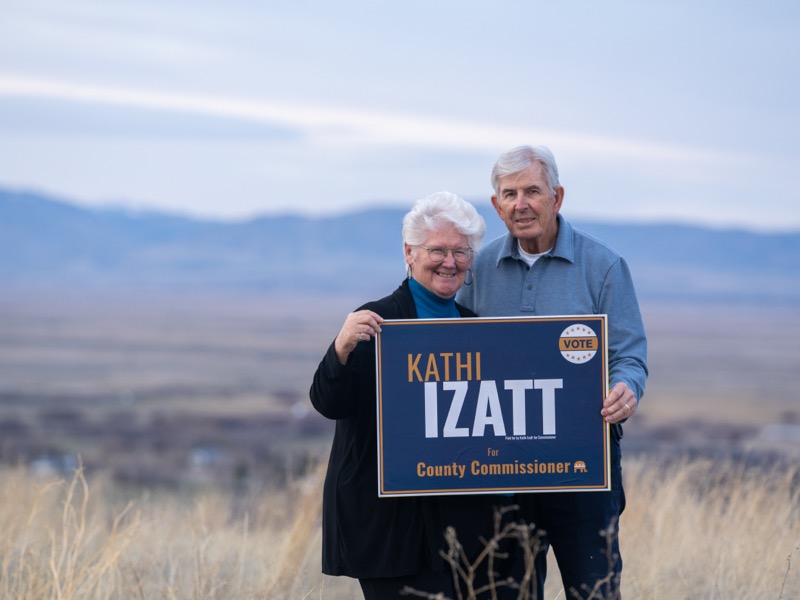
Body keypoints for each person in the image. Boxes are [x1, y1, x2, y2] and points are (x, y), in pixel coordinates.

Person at [456, 145, 648, 599]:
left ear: (557, 197)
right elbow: (451, 350)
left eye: (532, 191)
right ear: (496, 205)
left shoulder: (603, 266)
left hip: (583, 464)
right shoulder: (475, 268)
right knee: (508, 592)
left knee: (593, 589)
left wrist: (626, 387)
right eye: (509, 194)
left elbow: (629, 355)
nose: (521, 204)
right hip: (499, 467)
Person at [310, 191, 504, 600]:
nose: (450, 262)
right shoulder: (376, 322)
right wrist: (341, 347)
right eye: (437, 250)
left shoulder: (479, 330)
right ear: (410, 253)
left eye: (461, 252)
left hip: (462, 532)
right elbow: (329, 402)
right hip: (390, 529)